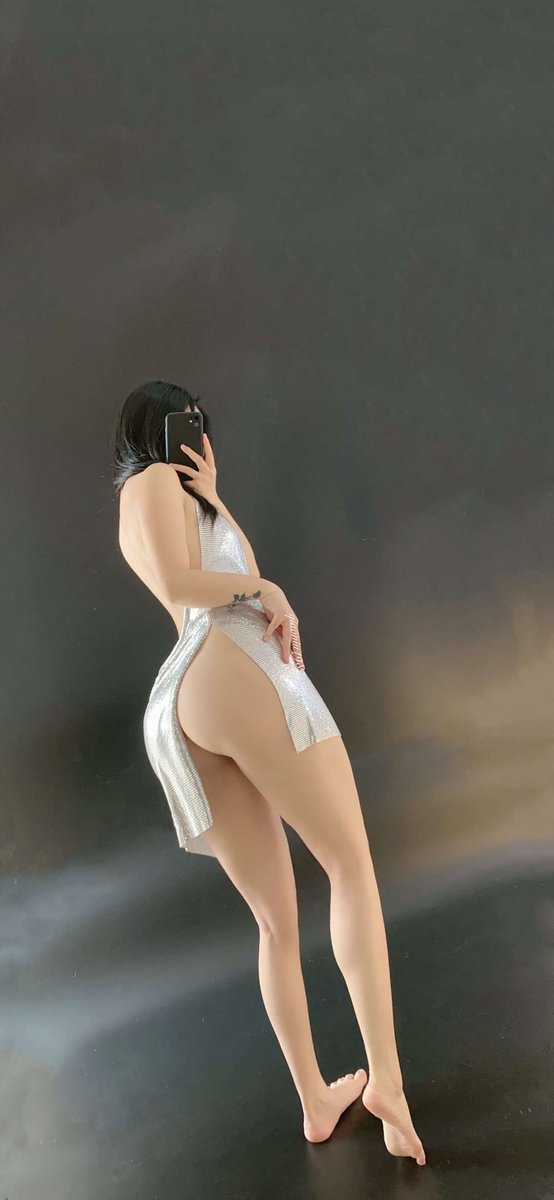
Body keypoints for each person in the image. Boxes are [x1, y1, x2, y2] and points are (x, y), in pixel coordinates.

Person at [113, 380, 426, 1164]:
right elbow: (197, 590)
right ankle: (386, 1080)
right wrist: (267, 587)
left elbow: (214, 570)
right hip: (231, 665)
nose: (198, 432)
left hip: (190, 699)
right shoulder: (152, 483)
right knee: (350, 864)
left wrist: (216, 499)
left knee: (277, 923)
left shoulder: (154, 502)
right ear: (156, 427)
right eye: (186, 419)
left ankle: (317, 1101)